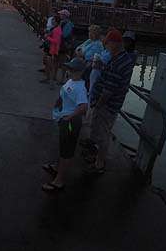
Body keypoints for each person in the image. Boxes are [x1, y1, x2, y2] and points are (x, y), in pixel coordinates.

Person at [86, 28, 135, 174]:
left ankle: (99, 164)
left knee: (103, 135)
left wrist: (97, 105)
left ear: (114, 44)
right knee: (99, 132)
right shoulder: (122, 59)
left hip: (107, 106)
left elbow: (108, 90)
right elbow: (111, 78)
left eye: (107, 44)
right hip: (109, 104)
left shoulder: (118, 63)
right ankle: (96, 158)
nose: (106, 47)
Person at [42, 57, 89, 192]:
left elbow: (84, 107)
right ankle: (58, 167)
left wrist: (69, 117)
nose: (69, 71)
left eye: (73, 69)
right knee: (63, 146)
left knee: (66, 151)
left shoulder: (80, 87)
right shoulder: (71, 81)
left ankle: (59, 180)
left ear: (80, 72)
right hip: (63, 119)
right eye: (69, 68)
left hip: (70, 123)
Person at [39, 15, 62, 88]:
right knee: (49, 65)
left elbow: (56, 41)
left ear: (56, 21)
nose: (52, 21)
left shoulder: (57, 29)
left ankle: (51, 82)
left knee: (51, 66)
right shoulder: (55, 28)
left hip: (53, 50)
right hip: (51, 49)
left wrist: (48, 37)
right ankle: (48, 79)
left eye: (53, 20)